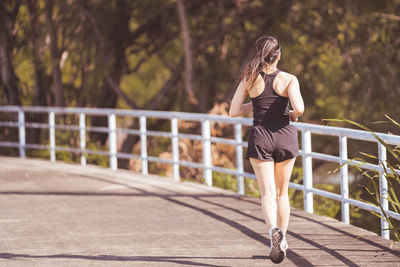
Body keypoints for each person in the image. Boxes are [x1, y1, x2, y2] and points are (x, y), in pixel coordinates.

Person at [229, 35, 304, 264]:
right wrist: (293, 113)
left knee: (267, 194)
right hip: (285, 136)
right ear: (278, 55)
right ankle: (282, 239)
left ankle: (272, 231)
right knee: (282, 193)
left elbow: (233, 112)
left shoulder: (249, 79)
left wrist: (255, 102)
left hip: (260, 136)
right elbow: (299, 108)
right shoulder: (289, 79)